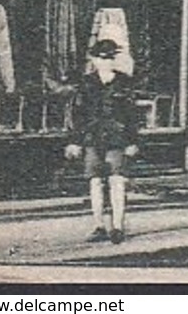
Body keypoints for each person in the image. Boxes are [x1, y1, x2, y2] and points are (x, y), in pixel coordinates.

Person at [65, 38, 139, 243]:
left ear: (114, 59)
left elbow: (131, 114)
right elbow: (77, 115)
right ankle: (98, 225)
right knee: (95, 182)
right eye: (100, 57)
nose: (105, 62)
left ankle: (117, 226)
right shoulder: (86, 84)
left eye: (109, 58)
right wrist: (75, 141)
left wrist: (132, 141)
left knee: (118, 180)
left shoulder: (124, 82)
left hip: (118, 138)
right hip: (92, 138)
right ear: (93, 59)